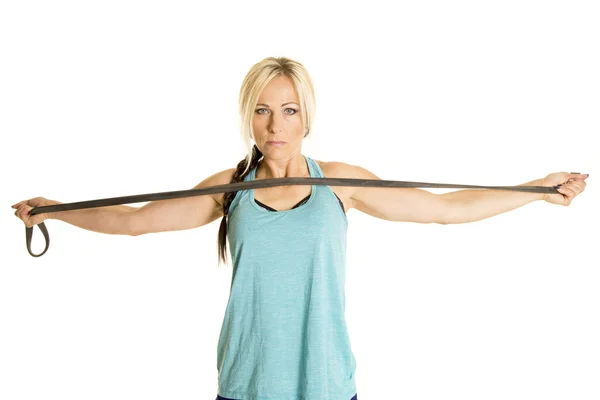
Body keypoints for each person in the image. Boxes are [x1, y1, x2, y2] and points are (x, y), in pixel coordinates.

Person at [12, 56, 588, 400]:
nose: (275, 124)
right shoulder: (230, 187)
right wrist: (57, 209)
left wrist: (534, 190)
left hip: (327, 382)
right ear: (248, 117)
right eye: (262, 110)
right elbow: (136, 221)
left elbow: (443, 208)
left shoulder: (339, 182)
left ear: (306, 115)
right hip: (248, 381)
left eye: (287, 109)